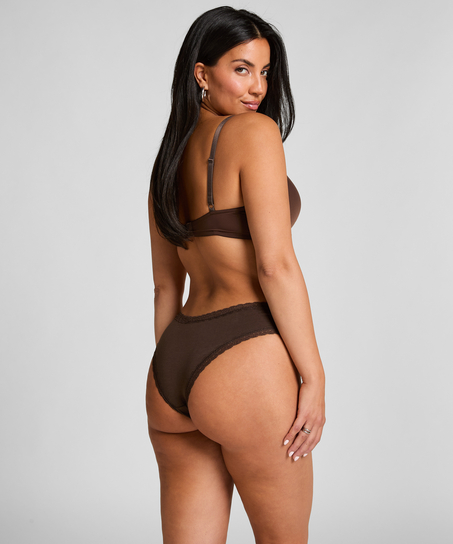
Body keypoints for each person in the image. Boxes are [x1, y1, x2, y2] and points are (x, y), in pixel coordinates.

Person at [145, 6, 326, 543]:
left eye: (265, 72)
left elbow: (164, 287)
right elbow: (275, 265)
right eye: (242, 69)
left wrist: (183, 376)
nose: (258, 88)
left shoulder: (166, 163)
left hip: (172, 369)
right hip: (245, 357)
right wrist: (313, 376)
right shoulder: (254, 132)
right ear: (201, 74)